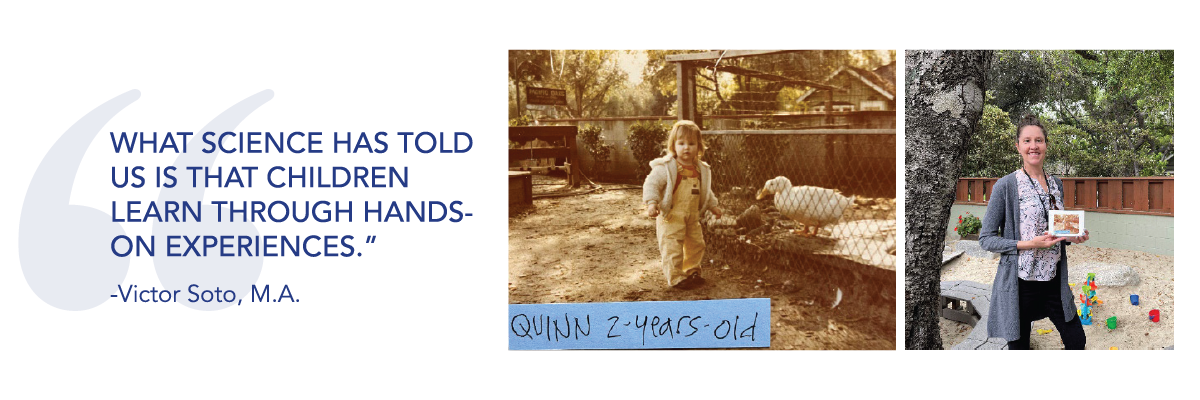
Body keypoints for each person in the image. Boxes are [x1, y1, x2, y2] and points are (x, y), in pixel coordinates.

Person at [979, 114, 1092, 350]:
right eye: (1027, 140)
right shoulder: (1006, 186)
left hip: (1054, 280)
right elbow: (986, 239)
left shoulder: (1056, 184)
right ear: (1018, 146)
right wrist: (1030, 244)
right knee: (1019, 345)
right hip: (1021, 284)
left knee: (1076, 340)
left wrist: (1073, 237)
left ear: (1046, 145)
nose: (1034, 146)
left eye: (1039, 140)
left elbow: (1056, 227)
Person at [642, 120, 722, 290]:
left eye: (691, 143)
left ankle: (692, 270)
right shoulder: (667, 167)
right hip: (671, 216)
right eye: (682, 143)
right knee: (672, 246)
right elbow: (652, 184)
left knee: (696, 243)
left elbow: (705, 190)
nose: (687, 147)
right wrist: (652, 202)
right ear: (674, 145)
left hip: (692, 216)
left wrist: (713, 205)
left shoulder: (700, 169)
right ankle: (676, 277)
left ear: (699, 146)